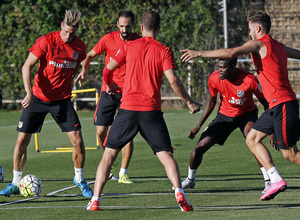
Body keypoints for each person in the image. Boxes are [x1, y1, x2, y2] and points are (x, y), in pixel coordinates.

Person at [84, 10, 201, 212]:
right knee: (165, 155)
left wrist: (108, 84)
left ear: (140, 28)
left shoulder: (128, 46)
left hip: (127, 109)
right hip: (151, 112)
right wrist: (189, 102)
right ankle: (179, 192)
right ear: (159, 28)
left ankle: (95, 200)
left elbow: (107, 69)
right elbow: (173, 80)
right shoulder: (164, 50)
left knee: (109, 155)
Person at [180, 11, 300, 201]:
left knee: (290, 154)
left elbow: (230, 53)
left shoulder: (260, 43)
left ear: (258, 29)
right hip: (276, 106)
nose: (249, 33)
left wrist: (199, 53)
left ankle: (275, 180)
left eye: (250, 29)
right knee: (251, 138)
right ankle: (275, 179)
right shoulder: (279, 46)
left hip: (283, 104)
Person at [0, 10, 93, 197]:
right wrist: (28, 93)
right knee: (21, 141)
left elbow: (84, 60)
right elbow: (27, 66)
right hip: (38, 97)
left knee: (79, 142)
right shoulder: (46, 41)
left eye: (72, 33)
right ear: (61, 25)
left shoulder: (80, 47)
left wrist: (83, 71)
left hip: (62, 101)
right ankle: (15, 183)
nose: (68, 36)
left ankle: (80, 179)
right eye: (66, 31)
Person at [180, 57, 272, 194]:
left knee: (252, 141)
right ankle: (190, 179)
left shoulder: (249, 79)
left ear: (233, 66)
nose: (219, 70)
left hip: (247, 115)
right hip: (224, 116)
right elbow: (211, 102)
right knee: (198, 149)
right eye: (218, 67)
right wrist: (198, 126)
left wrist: (271, 129)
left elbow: (267, 104)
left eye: (223, 67)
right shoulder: (214, 78)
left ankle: (268, 181)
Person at [76, 10, 140, 183]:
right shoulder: (108, 39)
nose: (125, 30)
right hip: (108, 91)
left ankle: (123, 172)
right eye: (122, 26)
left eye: (128, 26)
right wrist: (83, 71)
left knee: (127, 134)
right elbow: (89, 55)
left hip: (129, 94)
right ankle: (111, 158)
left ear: (133, 25)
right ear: (117, 25)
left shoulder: (138, 41)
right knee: (100, 131)